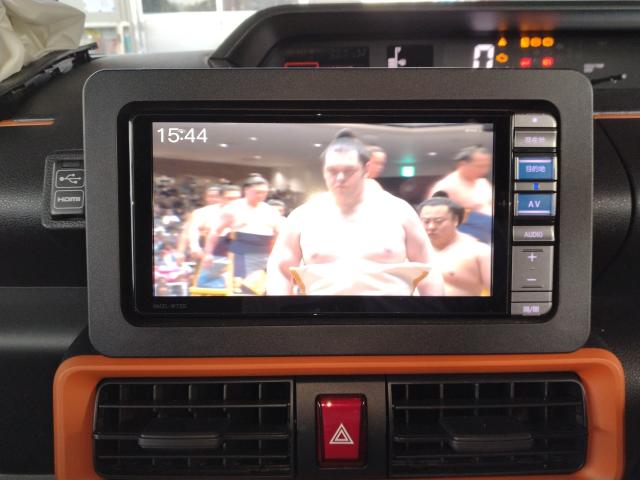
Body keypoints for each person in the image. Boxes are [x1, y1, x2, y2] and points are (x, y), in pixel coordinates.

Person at [266, 129, 442, 296]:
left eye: (349, 171)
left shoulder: (399, 211)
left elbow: (429, 269)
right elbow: (280, 269)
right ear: (323, 170)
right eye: (332, 171)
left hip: (389, 312)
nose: (340, 178)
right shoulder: (303, 216)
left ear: (365, 169)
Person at [202, 174, 281, 289]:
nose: (261, 195)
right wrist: (208, 253)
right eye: (257, 192)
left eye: (264, 192)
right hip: (240, 255)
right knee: (240, 288)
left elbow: (280, 235)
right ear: (247, 190)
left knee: (261, 289)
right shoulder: (233, 208)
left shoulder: (271, 211)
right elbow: (215, 231)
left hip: (265, 255)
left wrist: (277, 255)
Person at [418, 195, 491, 296]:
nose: (431, 226)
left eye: (438, 221)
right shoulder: (411, 250)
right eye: (426, 221)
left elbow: (500, 295)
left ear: (455, 220)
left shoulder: (480, 251)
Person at [427, 146, 493, 242]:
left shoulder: (483, 183)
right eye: (479, 166)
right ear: (463, 164)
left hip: (489, 232)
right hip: (464, 237)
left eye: (486, 166)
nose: (484, 170)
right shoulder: (446, 185)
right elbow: (433, 216)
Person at [186, 185, 222, 259]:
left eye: (216, 196)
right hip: (204, 249)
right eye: (210, 196)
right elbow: (193, 229)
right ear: (206, 198)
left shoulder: (231, 211)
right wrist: (194, 246)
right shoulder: (199, 212)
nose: (213, 199)